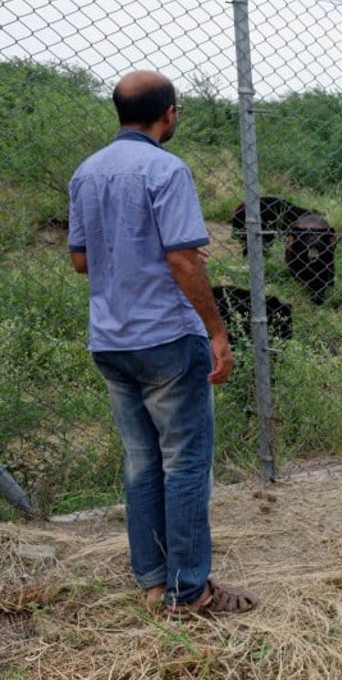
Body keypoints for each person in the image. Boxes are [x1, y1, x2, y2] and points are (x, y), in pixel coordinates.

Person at [68, 70, 258, 616]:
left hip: (110, 339)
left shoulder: (87, 172)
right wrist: (218, 333)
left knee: (141, 462)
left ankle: (153, 581)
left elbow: (82, 260)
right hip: (167, 338)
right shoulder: (167, 170)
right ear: (169, 113)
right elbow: (180, 258)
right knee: (186, 463)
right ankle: (190, 591)